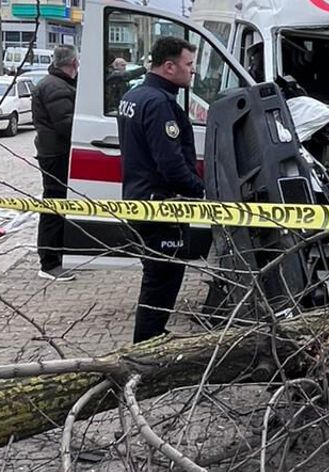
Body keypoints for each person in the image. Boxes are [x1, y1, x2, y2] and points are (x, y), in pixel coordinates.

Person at [117, 36, 204, 343]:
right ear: (169, 67)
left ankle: (152, 338)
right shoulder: (159, 104)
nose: (192, 71)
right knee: (162, 282)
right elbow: (171, 164)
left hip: (140, 201)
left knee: (156, 278)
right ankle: (146, 347)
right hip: (162, 208)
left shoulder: (134, 96)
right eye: (188, 64)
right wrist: (199, 189)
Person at [32, 45, 79, 281]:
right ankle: (49, 262)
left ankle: (58, 255)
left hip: (54, 152)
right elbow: (67, 124)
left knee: (58, 204)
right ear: (73, 62)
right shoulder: (55, 87)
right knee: (54, 206)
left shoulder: (59, 83)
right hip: (55, 154)